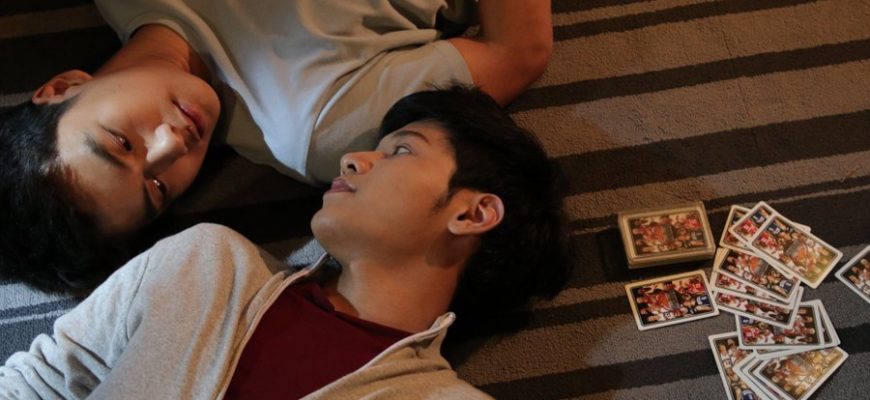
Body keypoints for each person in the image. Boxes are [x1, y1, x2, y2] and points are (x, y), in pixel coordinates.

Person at [0, 86, 570, 399]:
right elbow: (41, 384)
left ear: (472, 213)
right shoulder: (204, 262)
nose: (353, 159)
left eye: (401, 150)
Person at [0, 0, 553, 294]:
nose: (171, 144)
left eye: (120, 142)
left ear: (61, 88)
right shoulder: (317, 129)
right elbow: (517, 50)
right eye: (158, 187)